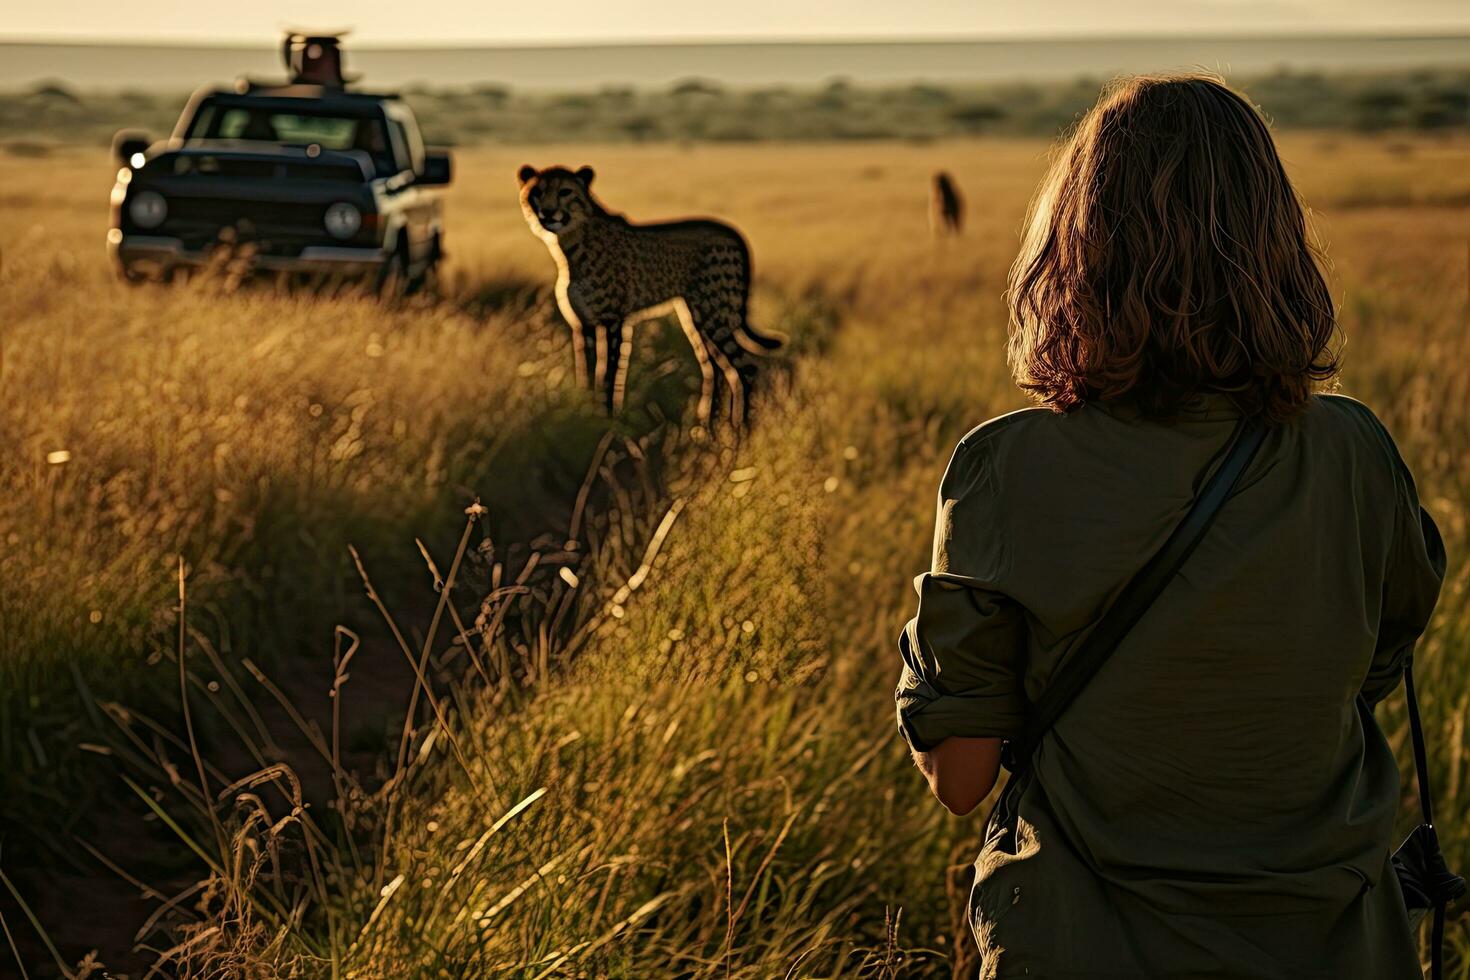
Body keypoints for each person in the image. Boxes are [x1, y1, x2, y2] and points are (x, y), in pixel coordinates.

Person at [894, 73, 1446, 979]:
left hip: (1082, 944)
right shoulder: (1355, 452)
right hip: (1333, 944)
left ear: (1073, 249)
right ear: (1275, 244)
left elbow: (960, 781)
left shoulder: (1005, 468)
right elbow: (1369, 666)